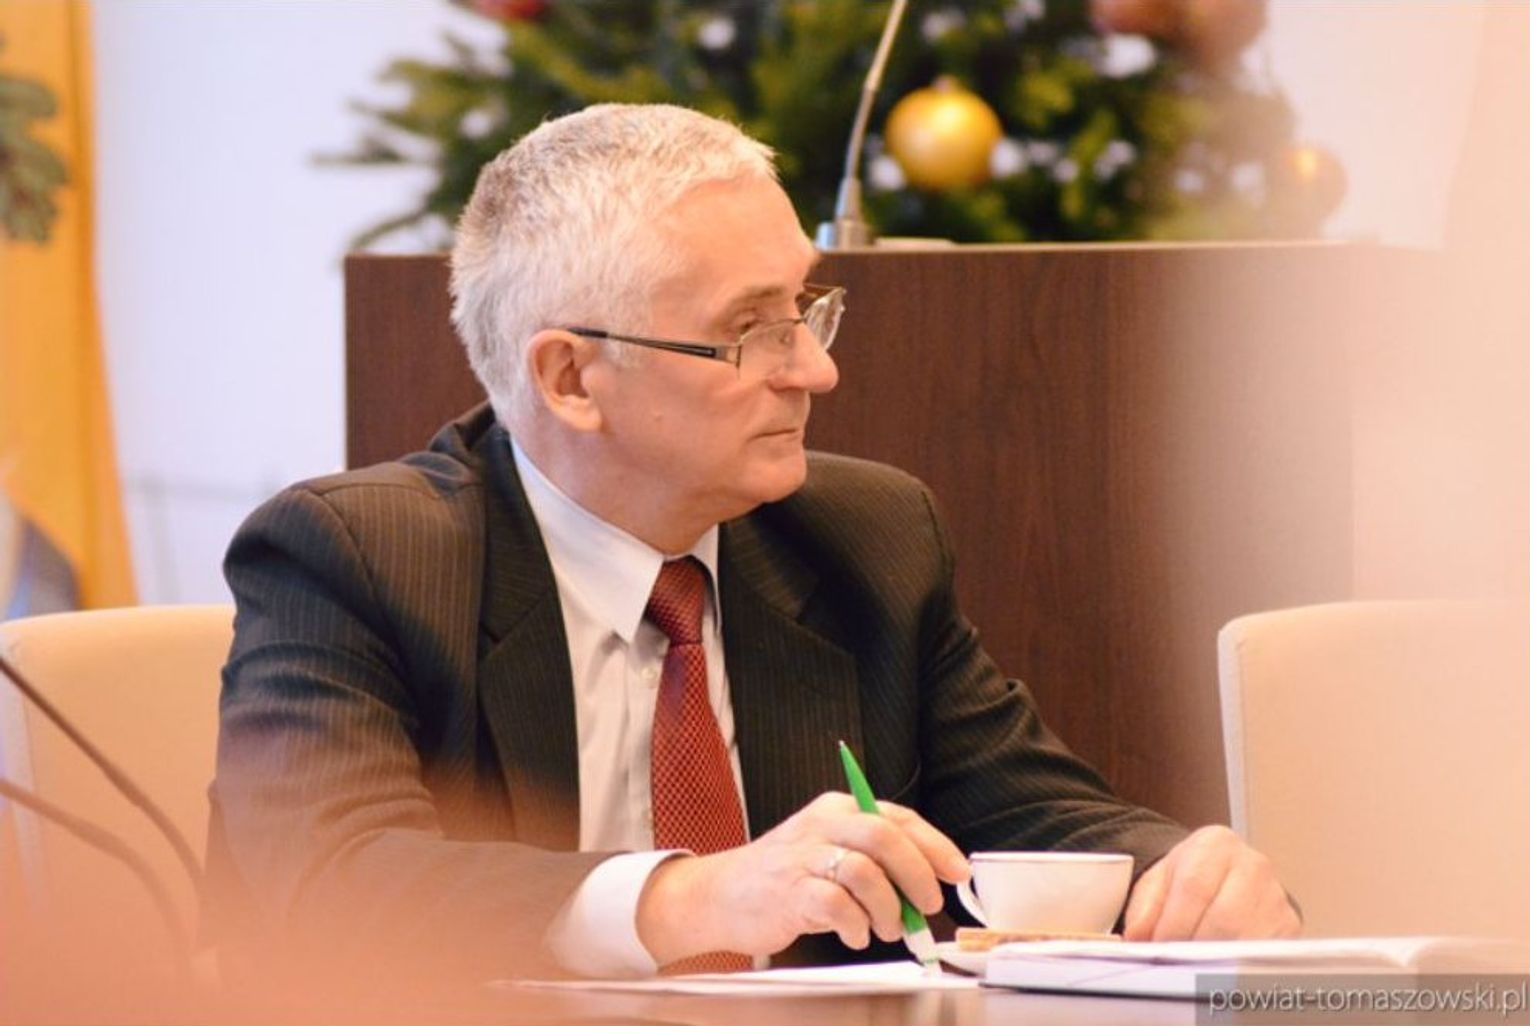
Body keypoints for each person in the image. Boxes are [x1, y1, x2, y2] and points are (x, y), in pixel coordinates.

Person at [206, 103, 1298, 990]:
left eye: (806, 311)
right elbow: (331, 887)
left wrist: (1180, 873)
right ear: (571, 378)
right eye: (751, 331)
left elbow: (1032, 813)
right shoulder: (357, 558)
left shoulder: (865, 540)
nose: (814, 370)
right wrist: (689, 898)